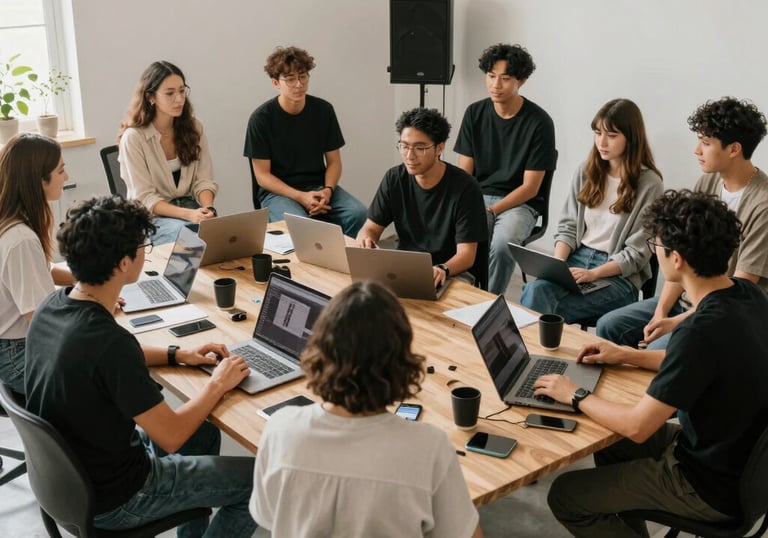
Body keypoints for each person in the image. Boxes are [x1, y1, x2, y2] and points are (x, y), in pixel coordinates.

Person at [534, 189, 768, 537]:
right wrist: (627, 355)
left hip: (706, 484)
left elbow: (638, 426)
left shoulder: (699, 331)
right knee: (611, 444)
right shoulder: (747, 295)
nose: (654, 249)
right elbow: (699, 364)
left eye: (656, 244)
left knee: (566, 496)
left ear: (677, 259)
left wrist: (575, 395)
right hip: (741, 463)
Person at [24, 195, 257, 536]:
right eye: (142, 246)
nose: (145, 251)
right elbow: (172, 436)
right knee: (260, 482)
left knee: (204, 436)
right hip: (119, 495)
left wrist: (177, 353)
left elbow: (109, 358)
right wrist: (217, 383)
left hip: (70, 477)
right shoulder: (107, 342)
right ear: (123, 263)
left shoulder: (54, 305)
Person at [249, 280, 482, 538]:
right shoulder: (431, 448)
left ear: (320, 351)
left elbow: (268, 515)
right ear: (401, 361)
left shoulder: (280, 429)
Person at [597, 96, 768, 350]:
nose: (697, 150)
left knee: (656, 349)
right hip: (688, 300)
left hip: (724, 315)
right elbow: (680, 257)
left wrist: (674, 323)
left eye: (706, 143)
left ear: (734, 149)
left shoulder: (762, 205)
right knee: (609, 325)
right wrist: (661, 312)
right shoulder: (708, 182)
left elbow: (739, 290)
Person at [520, 98, 663, 323]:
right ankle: (541, 342)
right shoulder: (586, 171)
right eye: (597, 133)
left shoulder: (650, 184)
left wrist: (594, 273)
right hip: (576, 260)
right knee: (535, 291)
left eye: (612, 135)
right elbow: (568, 227)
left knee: (543, 305)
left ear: (631, 138)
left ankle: (528, 343)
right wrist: (557, 268)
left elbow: (636, 253)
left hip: (618, 276)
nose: (602, 142)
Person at [454, 43, 557, 295]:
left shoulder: (540, 122)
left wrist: (491, 211)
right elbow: (464, 174)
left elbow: (530, 187)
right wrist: (468, 206)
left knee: (502, 245)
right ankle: (454, 296)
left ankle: (487, 302)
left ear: (522, 81)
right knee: (446, 232)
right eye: (491, 76)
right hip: (477, 196)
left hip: (520, 203)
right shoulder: (474, 113)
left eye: (505, 78)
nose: (495, 85)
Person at [356, 107, 487, 288]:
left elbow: (466, 255)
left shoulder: (466, 188)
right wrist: (366, 238)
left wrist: (443, 268)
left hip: (451, 271)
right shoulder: (394, 178)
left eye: (420, 148)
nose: (409, 156)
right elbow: (371, 227)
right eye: (404, 146)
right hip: (405, 267)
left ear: (440, 148)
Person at [243, 45, 367, 237]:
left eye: (303, 76)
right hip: (279, 193)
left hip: (318, 186)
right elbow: (262, 176)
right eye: (290, 79)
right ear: (276, 83)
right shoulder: (261, 119)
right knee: (301, 226)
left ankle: (340, 255)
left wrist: (327, 190)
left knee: (358, 214)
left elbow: (334, 162)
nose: (299, 84)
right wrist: (301, 197)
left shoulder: (323, 110)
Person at [0, 133, 74, 394]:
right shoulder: (21, 240)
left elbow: (43, 270)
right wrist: (91, 302)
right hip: (19, 355)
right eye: (61, 171)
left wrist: (87, 281)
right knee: (117, 367)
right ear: (39, 181)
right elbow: (42, 322)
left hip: (14, 347)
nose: (66, 177)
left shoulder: (11, 221)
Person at [119, 60, 219, 245]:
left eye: (182, 91)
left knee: (221, 237)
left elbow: (203, 180)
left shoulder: (194, 128)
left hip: (190, 210)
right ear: (151, 97)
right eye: (170, 93)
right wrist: (189, 215)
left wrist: (208, 210)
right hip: (152, 218)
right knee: (190, 240)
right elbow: (145, 198)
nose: (179, 99)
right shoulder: (134, 138)